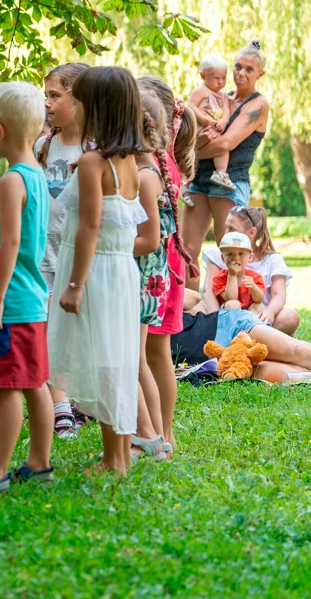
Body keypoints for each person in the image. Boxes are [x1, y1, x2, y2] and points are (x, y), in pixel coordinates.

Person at [48, 67, 147, 476]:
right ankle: (121, 453)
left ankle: (112, 460)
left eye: (79, 100)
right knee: (118, 361)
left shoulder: (92, 162)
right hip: (120, 271)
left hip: (92, 274)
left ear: (95, 109)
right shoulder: (127, 162)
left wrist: (74, 284)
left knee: (105, 362)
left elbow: (89, 227)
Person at [0, 83, 54, 492]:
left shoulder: (10, 182)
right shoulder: (37, 175)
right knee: (35, 383)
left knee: (6, 391)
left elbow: (11, 243)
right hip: (33, 300)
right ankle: (39, 462)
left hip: (12, 302)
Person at [138, 76, 197, 456]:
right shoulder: (167, 164)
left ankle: (157, 433)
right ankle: (165, 434)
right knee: (158, 352)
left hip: (154, 269)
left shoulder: (152, 169)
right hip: (167, 266)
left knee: (150, 353)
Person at [181, 42, 270, 285]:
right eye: (238, 67)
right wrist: (194, 146)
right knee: (187, 250)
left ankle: (231, 310)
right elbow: (192, 136)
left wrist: (195, 153)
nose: (241, 73)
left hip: (228, 181)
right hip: (200, 180)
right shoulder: (221, 98)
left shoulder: (258, 105)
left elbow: (226, 144)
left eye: (249, 70)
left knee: (231, 251)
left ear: (260, 74)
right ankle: (188, 313)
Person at [35, 61, 91, 439]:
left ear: (80, 98)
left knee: (77, 337)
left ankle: (79, 402)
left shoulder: (95, 149)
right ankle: (59, 408)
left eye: (55, 96)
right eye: (46, 96)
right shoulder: (43, 145)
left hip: (78, 259)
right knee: (46, 335)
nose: (48, 104)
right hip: (44, 256)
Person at [131, 90, 171, 462]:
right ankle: (157, 436)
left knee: (136, 360)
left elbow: (149, 239)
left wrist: (108, 247)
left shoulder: (144, 176)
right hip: (150, 279)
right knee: (137, 359)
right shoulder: (148, 170)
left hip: (144, 280)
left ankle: (154, 437)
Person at [200, 206, 300, 335]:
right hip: (225, 314)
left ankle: (246, 338)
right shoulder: (219, 254)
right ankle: (240, 337)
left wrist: (270, 312)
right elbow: (209, 292)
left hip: (259, 317)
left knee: (290, 317)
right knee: (195, 309)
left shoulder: (272, 260)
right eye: (226, 227)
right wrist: (215, 322)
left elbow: (278, 295)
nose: (225, 233)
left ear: (252, 233)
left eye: (232, 229)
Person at [187, 54, 235, 192]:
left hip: (214, 131)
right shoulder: (202, 91)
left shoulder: (224, 95)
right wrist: (205, 119)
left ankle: (220, 173)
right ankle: (186, 183)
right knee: (192, 154)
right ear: (203, 76)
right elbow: (191, 106)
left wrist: (224, 121)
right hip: (200, 129)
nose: (221, 82)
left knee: (221, 149)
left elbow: (226, 110)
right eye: (216, 78)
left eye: (224, 78)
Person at [211, 232, 264, 313]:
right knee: (233, 304)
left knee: (259, 306)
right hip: (228, 315)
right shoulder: (219, 278)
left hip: (249, 312)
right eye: (230, 254)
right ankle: (237, 325)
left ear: (250, 257)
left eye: (241, 253)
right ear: (223, 258)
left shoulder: (255, 277)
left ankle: (251, 324)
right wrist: (232, 275)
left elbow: (260, 299)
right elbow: (231, 298)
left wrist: (253, 287)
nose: (236, 258)